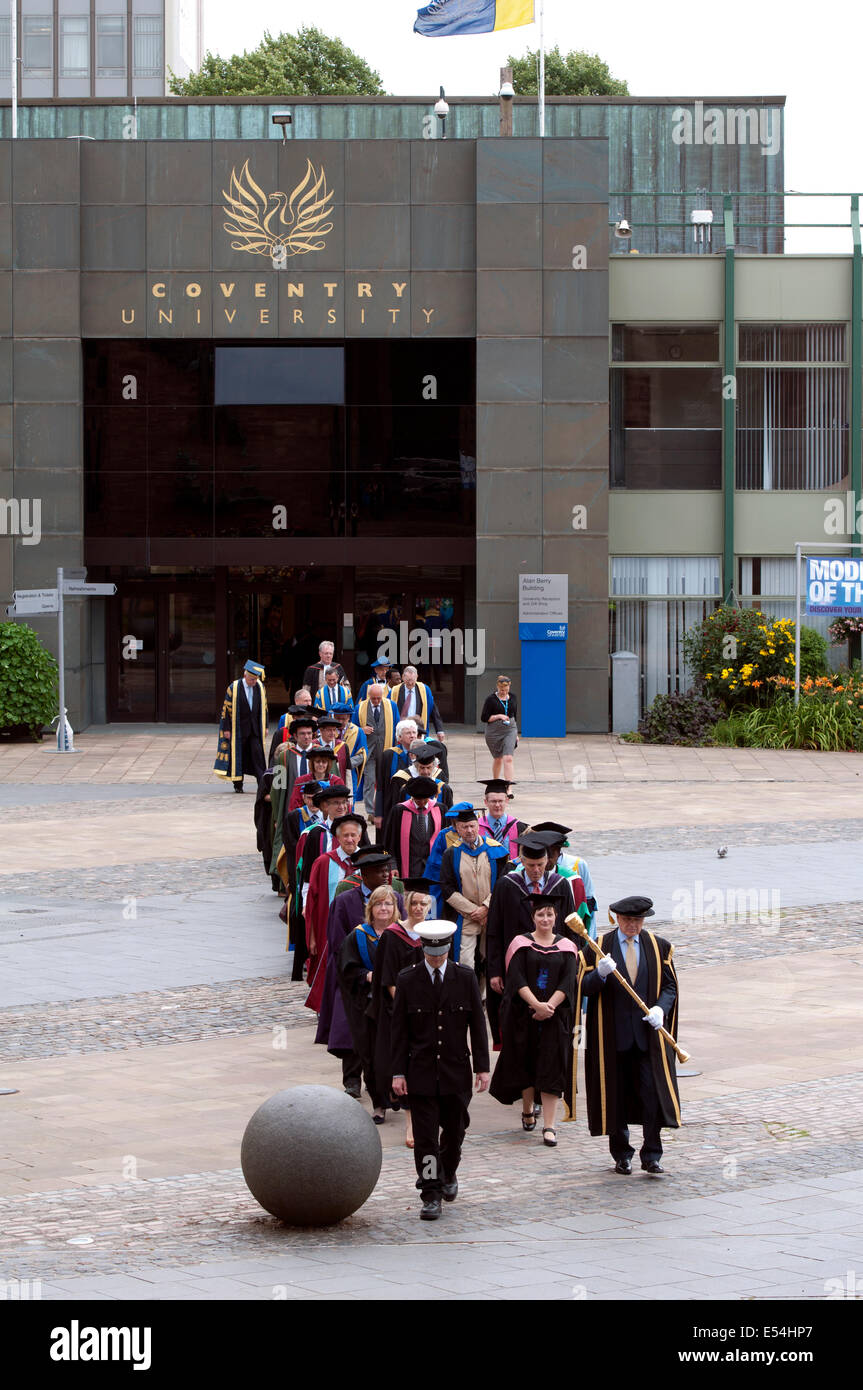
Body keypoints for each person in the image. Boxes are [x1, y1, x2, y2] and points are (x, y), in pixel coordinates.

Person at [391, 921, 490, 1221]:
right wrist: (398, 1072)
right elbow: (399, 1032)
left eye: (441, 953)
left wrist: (482, 1068)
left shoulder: (465, 977)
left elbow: (477, 1025)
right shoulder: (408, 980)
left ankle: (449, 1171)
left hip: (455, 1071)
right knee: (426, 1140)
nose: (436, 958)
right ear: (423, 948)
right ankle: (431, 1192)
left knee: (455, 1132)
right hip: (420, 1073)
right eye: (431, 953)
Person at [579, 895, 680, 1176]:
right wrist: (598, 975)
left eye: (637, 920)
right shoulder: (599, 948)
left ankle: (652, 1154)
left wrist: (661, 1008)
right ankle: (621, 1154)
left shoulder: (658, 947)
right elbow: (583, 989)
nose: (632, 925)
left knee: (652, 1095)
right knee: (617, 1096)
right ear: (617, 919)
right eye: (627, 920)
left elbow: (670, 986)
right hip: (614, 1036)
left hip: (647, 1038)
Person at [489, 896, 579, 1147]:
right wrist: (536, 1005)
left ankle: (549, 1125)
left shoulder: (567, 946)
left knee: (552, 1068)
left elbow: (568, 981)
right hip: (523, 1017)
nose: (546, 919)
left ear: (556, 917)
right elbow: (516, 979)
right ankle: (527, 1109)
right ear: (533, 918)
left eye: (550, 914)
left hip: (555, 1018)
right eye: (541, 915)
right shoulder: (520, 944)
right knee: (526, 1066)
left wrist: (549, 1006)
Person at [314, 848, 403, 1101]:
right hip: (354, 979)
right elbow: (336, 940)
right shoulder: (344, 901)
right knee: (351, 1031)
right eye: (380, 871)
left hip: (387, 983)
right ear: (364, 874)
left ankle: (382, 1084)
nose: (386, 874)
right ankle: (352, 1080)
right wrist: (360, 969)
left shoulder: (395, 897)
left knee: (383, 1035)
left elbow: (405, 934)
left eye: (387, 869)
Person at [485, 834, 588, 1046]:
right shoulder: (506, 885)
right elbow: (494, 929)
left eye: (540, 865)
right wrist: (494, 970)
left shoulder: (559, 885)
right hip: (518, 966)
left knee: (551, 1021)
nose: (536, 870)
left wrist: (573, 962)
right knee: (521, 1020)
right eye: (531, 865)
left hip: (553, 965)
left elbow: (571, 926)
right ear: (521, 861)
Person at [337, 885, 403, 1122]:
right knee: (372, 1055)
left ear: (395, 908)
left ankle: (397, 1094)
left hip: (397, 1004)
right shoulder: (358, 936)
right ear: (370, 908)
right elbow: (346, 969)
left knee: (397, 1051)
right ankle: (379, 1103)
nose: (383, 908)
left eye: (388, 904)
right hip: (369, 1006)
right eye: (378, 904)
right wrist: (366, 975)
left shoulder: (402, 934)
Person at [368, 889, 428, 1144]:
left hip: (430, 1013)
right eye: (413, 903)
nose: (418, 908)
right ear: (406, 905)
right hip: (400, 1011)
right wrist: (408, 1006)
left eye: (423, 903)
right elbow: (388, 978)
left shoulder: (434, 933)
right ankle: (411, 1124)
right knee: (406, 1066)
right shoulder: (394, 936)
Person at [436, 804, 510, 972]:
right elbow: (447, 887)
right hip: (466, 917)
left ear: (478, 825)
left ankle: (485, 997)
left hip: (491, 914)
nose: (469, 830)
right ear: (457, 829)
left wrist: (486, 907)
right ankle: (465, 996)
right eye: (464, 827)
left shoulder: (495, 850)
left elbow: (503, 882)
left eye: (472, 826)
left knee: (489, 959)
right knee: (465, 961)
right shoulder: (451, 854)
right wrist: (472, 911)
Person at [304, 812, 366, 1004]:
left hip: (360, 925)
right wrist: (312, 936)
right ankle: (327, 1007)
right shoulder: (323, 862)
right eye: (345, 835)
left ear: (359, 837)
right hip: (328, 927)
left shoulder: (369, 862)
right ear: (337, 838)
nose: (349, 839)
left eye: (353, 835)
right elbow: (312, 901)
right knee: (328, 966)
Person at [530, 822, 598, 939]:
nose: (548, 858)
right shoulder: (524, 869)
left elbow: (588, 901)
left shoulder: (576, 866)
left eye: (553, 851)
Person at [214, 660, 268, 793]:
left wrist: (265, 726)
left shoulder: (260, 687)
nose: (254, 682)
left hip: (255, 729)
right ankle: (238, 785)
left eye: (255, 679)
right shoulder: (234, 687)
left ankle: (262, 784)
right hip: (239, 729)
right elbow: (226, 709)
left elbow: (264, 708)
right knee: (239, 756)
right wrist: (226, 729)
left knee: (257, 755)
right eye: (251, 679)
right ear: (245, 676)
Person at [382, 774, 445, 883]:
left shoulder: (440, 809)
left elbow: (445, 841)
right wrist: (392, 865)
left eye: (425, 799)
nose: (421, 803)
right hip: (407, 869)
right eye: (417, 800)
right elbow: (389, 843)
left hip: (433, 868)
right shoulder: (399, 811)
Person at [354, 683, 400, 826]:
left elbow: (398, 726)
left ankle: (386, 808)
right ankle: (371, 812)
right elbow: (352, 729)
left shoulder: (391, 706)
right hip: (369, 751)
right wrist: (362, 730)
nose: (376, 701)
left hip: (386, 749)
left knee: (387, 780)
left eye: (378, 698)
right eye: (373, 699)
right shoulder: (360, 707)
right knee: (370, 780)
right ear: (369, 696)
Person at [383, 739, 452, 826]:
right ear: (416, 767)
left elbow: (449, 819)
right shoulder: (404, 786)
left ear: (434, 767)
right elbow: (396, 814)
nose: (426, 772)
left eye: (429, 768)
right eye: (422, 768)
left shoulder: (443, 788)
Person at [390, 666, 446, 743]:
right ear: (403, 677)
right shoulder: (394, 691)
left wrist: (439, 730)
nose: (410, 683)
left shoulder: (424, 689)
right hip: (401, 728)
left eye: (412, 680)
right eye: (408, 680)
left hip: (418, 728)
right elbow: (387, 709)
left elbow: (433, 709)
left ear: (417, 677)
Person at [477, 779, 527, 862]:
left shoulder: (519, 827)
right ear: (486, 802)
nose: (497, 805)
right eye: (493, 801)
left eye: (500, 801)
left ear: (507, 801)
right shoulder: (476, 827)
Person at [481, 675, 518, 782]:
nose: (504, 692)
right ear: (497, 687)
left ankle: (508, 787)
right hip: (494, 732)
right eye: (502, 690)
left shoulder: (513, 698)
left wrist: (515, 734)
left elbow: (514, 715)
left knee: (508, 758)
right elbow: (484, 718)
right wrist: (499, 716)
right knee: (498, 759)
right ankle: (496, 782)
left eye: (506, 690)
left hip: (510, 730)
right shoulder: (491, 699)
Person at [331, 701, 368, 804]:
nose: (341, 721)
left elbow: (363, 754)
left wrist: (346, 763)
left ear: (349, 717)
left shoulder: (357, 732)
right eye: (338, 718)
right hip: (330, 771)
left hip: (349, 773)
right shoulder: (328, 731)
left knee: (349, 802)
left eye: (344, 719)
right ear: (333, 717)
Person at [287, 746, 341, 812]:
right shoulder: (301, 781)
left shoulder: (336, 781)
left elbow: (342, 804)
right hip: (306, 819)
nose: (321, 764)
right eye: (318, 761)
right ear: (312, 763)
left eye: (324, 762)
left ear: (328, 764)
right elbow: (294, 806)